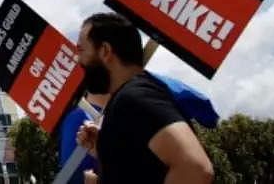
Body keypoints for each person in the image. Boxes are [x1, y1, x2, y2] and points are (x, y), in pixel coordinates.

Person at [74, 12, 213, 183]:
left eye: (81, 50)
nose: (77, 59)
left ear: (105, 51)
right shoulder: (128, 100)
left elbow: (196, 169)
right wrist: (109, 148)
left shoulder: (134, 97)